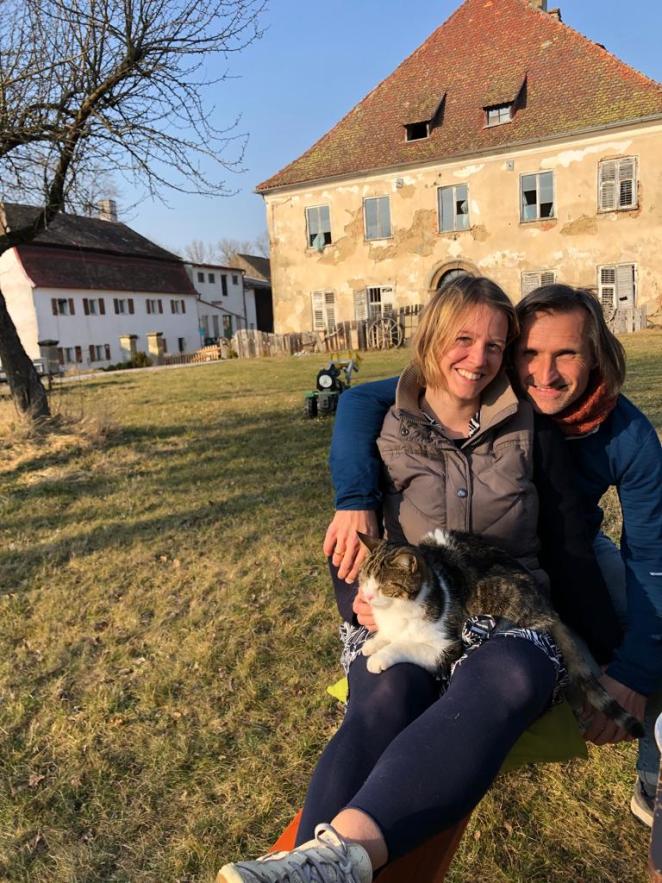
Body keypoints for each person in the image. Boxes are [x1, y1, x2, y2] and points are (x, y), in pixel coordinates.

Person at [217, 277, 624, 883]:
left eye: (495, 345)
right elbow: (353, 548)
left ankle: (331, 861)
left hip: (500, 606)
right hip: (407, 612)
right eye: (463, 339)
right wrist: (360, 603)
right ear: (431, 336)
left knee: (512, 674)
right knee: (387, 694)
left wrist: (610, 655)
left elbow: (568, 545)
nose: (478, 359)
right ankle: (307, 866)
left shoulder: (529, 424)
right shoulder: (380, 420)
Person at [324, 283, 662, 829]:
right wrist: (355, 498)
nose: (544, 374)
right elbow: (361, 399)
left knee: (652, 630)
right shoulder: (487, 387)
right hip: (490, 559)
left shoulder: (626, 434)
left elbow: (644, 553)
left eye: (567, 354)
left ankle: (654, 780)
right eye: (529, 352)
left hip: (571, 547)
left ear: (596, 354)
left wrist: (633, 671)